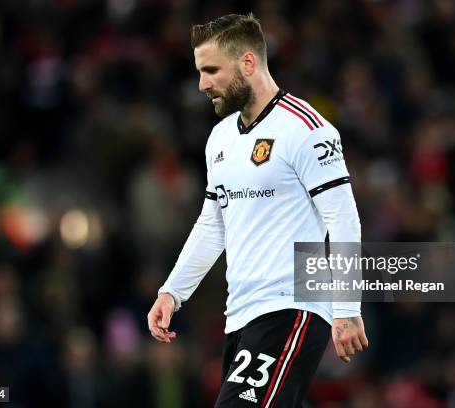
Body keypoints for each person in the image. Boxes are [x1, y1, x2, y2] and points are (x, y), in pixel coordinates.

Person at [147, 13, 368, 407]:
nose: (202, 84)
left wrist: (347, 308)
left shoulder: (306, 129)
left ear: (248, 63)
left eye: (211, 70)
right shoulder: (220, 138)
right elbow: (214, 224)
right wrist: (172, 293)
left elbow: (343, 217)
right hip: (241, 316)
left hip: (292, 308)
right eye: (199, 72)